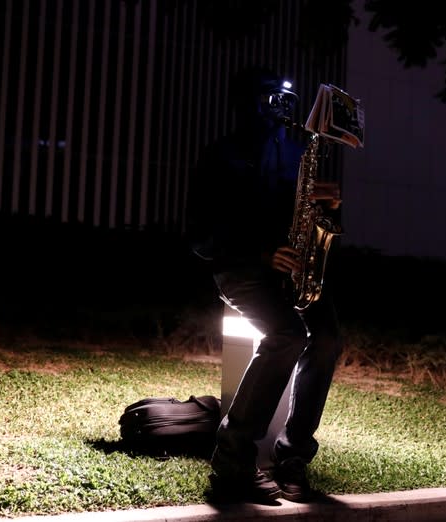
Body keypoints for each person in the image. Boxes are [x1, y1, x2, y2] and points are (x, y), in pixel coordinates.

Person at [186, 66, 343, 504]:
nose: (285, 108)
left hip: (294, 269)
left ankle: (293, 456)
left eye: (289, 100)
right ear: (252, 102)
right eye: (275, 98)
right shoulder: (220, 155)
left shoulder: (298, 153)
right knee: (287, 335)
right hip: (241, 269)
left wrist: (327, 206)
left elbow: (310, 219)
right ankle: (233, 456)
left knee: (328, 338)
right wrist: (259, 253)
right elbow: (200, 236)